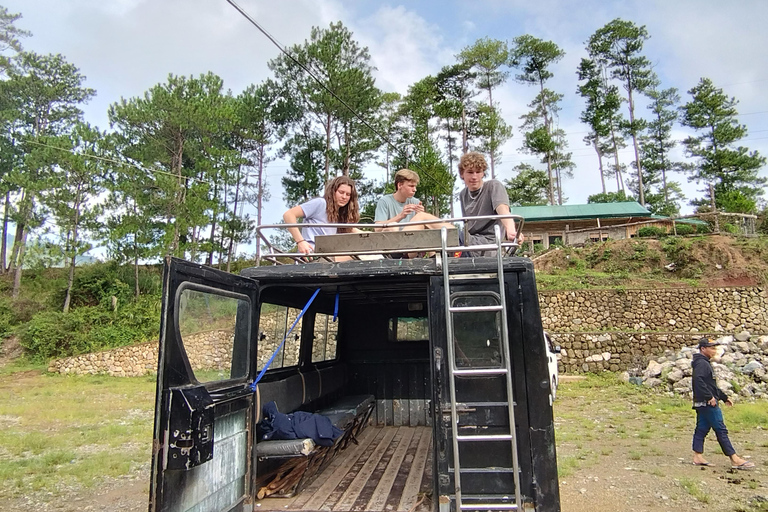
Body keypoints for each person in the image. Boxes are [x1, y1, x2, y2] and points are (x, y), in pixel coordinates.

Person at [691, 337, 754, 469]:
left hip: (702, 402)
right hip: (708, 403)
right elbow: (698, 381)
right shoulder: (702, 364)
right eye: (711, 347)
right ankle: (734, 458)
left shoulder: (703, 363)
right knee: (720, 429)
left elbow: (710, 385)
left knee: (702, 428)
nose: (714, 350)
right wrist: (709, 397)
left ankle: (697, 456)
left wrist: (724, 397)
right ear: (703, 349)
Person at [457, 152, 523, 256]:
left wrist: (511, 231)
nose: (474, 177)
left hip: (489, 245)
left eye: (478, 172)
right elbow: (467, 225)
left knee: (448, 232)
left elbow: (503, 210)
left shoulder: (493, 186)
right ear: (462, 174)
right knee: (443, 234)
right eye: (470, 172)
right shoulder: (463, 194)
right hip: (470, 243)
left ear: (483, 173)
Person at [283, 176, 360, 257]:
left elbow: (353, 230)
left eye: (348, 194)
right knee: (354, 258)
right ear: (333, 191)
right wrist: (300, 241)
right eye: (341, 192)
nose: (344, 197)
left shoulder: (340, 215)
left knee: (359, 256)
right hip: (311, 254)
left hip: (327, 256)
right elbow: (288, 215)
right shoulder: (320, 203)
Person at [374, 169, 453, 232]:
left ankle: (452, 235)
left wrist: (420, 214)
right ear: (400, 185)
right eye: (411, 186)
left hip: (411, 240)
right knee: (393, 227)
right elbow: (377, 229)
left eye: (415, 186)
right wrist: (400, 216)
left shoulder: (415, 202)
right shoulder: (384, 201)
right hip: (393, 242)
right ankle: (454, 233)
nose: (414, 190)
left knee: (422, 217)